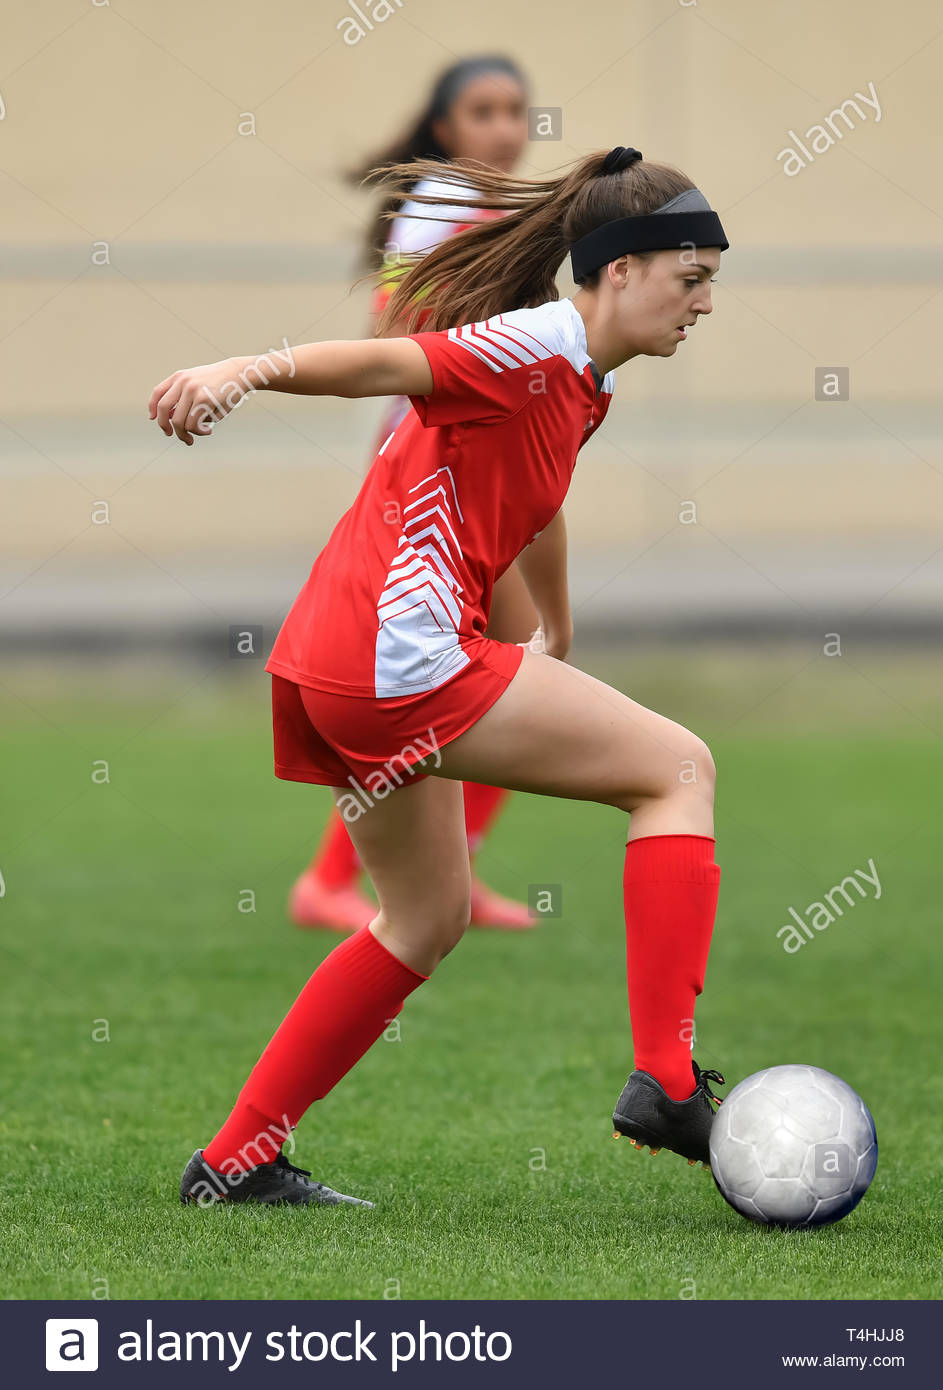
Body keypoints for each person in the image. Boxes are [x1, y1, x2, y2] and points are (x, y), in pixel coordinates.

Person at [149, 146, 730, 1208]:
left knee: (423, 917)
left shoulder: (579, 378)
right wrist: (245, 368)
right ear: (619, 269)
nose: (703, 304)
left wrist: (554, 623)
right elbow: (388, 365)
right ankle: (669, 1079)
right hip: (398, 662)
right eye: (690, 280)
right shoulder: (523, 346)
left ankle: (235, 1160)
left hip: (338, 656)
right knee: (678, 769)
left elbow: (532, 496)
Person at [291, 55, 539, 934]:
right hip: (428, 473)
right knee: (506, 665)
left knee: (506, 666)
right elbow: (394, 334)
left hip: (465, 471)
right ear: (445, 128)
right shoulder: (443, 205)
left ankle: (432, 877)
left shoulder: (494, 209)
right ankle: (350, 880)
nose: (506, 129)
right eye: (484, 111)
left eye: (517, 111)